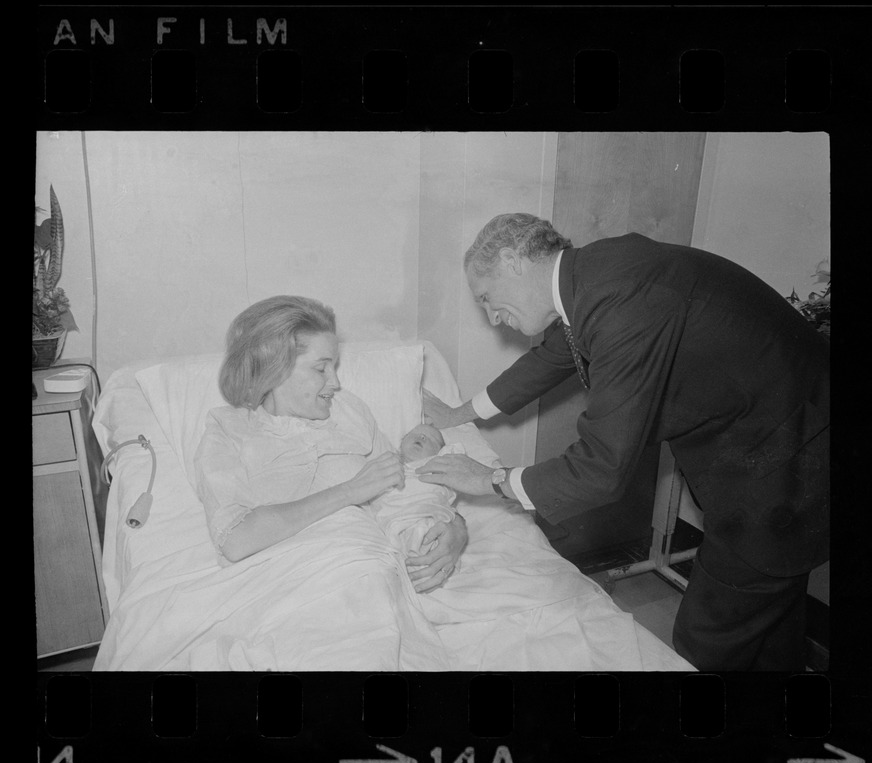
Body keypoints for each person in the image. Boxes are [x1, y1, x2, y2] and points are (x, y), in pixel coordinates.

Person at [416, 212, 830, 671]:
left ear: (513, 261)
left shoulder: (621, 299)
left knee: (710, 636)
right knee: (772, 623)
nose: (493, 318)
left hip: (789, 469)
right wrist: (458, 413)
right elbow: (549, 361)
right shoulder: (593, 277)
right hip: (786, 447)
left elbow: (600, 469)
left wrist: (493, 480)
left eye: (488, 299)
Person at [193, 295, 467, 595]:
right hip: (285, 588)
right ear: (274, 368)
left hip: (367, 576)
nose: (335, 382)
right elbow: (236, 539)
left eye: (334, 367)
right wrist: (350, 491)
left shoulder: (348, 410)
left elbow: (406, 489)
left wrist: (455, 530)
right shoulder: (227, 432)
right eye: (321, 368)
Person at [369, 423, 464, 563]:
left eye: (431, 439)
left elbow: (457, 455)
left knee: (425, 532)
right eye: (416, 435)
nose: (422, 438)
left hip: (425, 515)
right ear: (400, 445)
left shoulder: (437, 469)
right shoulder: (388, 461)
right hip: (391, 515)